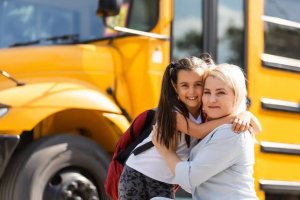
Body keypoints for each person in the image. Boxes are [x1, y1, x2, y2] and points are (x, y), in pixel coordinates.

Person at [118, 55, 260, 200]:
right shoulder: (174, 114)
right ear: (175, 87)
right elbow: (197, 132)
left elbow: (257, 128)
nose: (192, 92)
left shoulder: (207, 117)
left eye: (198, 85)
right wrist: (232, 117)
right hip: (138, 172)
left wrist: (245, 115)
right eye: (185, 85)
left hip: (165, 180)